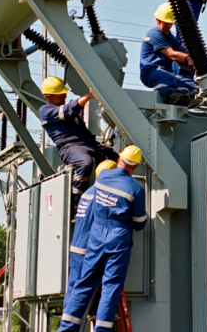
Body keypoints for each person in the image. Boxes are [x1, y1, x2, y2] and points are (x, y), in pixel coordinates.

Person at [59, 146, 148, 332]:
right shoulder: (135, 189)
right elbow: (140, 222)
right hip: (118, 238)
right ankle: (101, 330)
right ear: (136, 166)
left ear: (120, 159)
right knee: (111, 286)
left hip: (97, 236)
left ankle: (66, 328)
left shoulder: (103, 179)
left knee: (84, 283)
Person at [39, 77, 118, 215]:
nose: (64, 96)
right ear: (48, 97)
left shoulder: (64, 109)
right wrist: (89, 96)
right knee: (85, 162)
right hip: (69, 147)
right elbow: (70, 108)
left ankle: (107, 194)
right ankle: (76, 201)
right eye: (60, 94)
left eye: (64, 93)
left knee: (114, 157)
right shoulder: (46, 111)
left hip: (87, 144)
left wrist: (99, 146)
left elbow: (81, 130)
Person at [64, 159, 117, 306]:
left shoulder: (88, 193)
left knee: (73, 290)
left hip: (77, 249)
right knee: (81, 296)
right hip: (87, 252)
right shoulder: (103, 196)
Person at [139, 2, 199, 106]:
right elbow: (172, 54)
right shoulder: (154, 34)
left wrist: (197, 61)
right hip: (151, 71)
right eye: (166, 23)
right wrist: (189, 60)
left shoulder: (169, 36)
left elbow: (181, 50)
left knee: (185, 82)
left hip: (166, 72)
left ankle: (184, 96)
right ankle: (170, 96)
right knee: (167, 77)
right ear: (158, 20)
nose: (168, 26)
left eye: (170, 23)